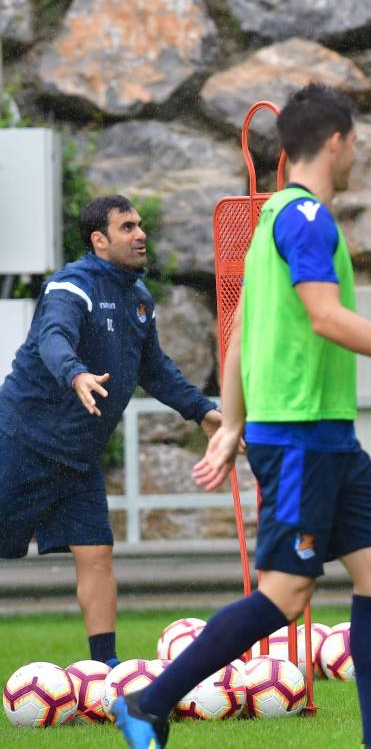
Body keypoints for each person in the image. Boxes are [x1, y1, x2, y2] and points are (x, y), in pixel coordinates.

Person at [112, 84, 371, 748]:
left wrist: (228, 426)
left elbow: (240, 334)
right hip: (301, 436)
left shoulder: (273, 217)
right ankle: (150, 700)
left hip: (329, 436)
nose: (354, 155)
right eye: (356, 144)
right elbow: (325, 316)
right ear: (337, 142)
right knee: (286, 593)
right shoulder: (307, 219)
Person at [0, 195, 221, 668]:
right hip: (22, 443)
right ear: (99, 240)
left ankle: (107, 670)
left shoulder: (138, 299)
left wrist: (203, 411)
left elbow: (154, 369)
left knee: (97, 553)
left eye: (140, 225)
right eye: (127, 227)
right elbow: (52, 337)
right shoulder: (70, 285)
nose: (141, 234)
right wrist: (75, 373)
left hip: (78, 459)